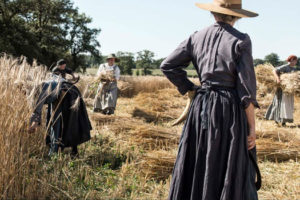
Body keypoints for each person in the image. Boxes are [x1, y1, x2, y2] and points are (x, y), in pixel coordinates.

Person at [160, 1, 261, 199]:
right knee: (227, 162)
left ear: (214, 14)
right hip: (228, 109)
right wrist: (252, 128)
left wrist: (190, 88)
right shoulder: (241, 40)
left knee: (200, 155)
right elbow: (246, 91)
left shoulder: (196, 36)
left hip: (201, 106)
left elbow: (167, 65)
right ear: (237, 16)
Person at [29, 76, 92, 157]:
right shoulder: (39, 88)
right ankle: (65, 150)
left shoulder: (40, 90)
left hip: (67, 95)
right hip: (64, 94)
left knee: (66, 123)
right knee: (58, 122)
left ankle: (56, 152)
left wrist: (34, 124)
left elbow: (37, 109)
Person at [265, 55, 298, 126]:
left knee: (287, 106)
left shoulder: (294, 69)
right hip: (282, 89)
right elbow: (274, 70)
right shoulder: (285, 67)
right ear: (291, 60)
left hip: (288, 91)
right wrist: (277, 79)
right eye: (295, 60)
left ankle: (283, 122)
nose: (296, 62)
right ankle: (276, 121)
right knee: (279, 104)